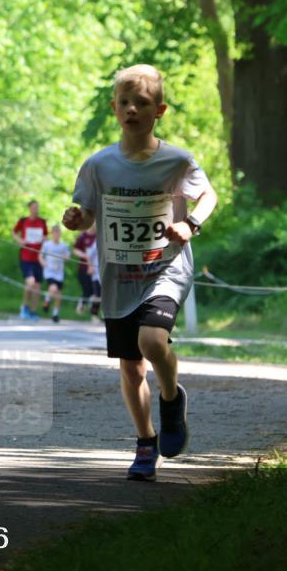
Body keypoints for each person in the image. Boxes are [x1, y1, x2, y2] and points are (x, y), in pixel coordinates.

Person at [63, 64, 218, 481]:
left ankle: (170, 397)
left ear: (159, 110)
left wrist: (191, 223)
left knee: (151, 340)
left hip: (165, 268)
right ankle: (145, 441)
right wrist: (77, 219)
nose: (132, 109)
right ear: (114, 108)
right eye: (125, 102)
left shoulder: (176, 160)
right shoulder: (99, 165)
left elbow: (207, 195)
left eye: (143, 103)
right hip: (120, 277)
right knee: (131, 368)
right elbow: (87, 213)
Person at [13, 200, 48, 320]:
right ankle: (24, 307)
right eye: (33, 207)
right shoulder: (23, 221)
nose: (35, 210)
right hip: (26, 257)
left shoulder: (42, 222)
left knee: (37, 286)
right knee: (30, 282)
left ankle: (33, 311)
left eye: (37, 207)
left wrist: (44, 239)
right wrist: (20, 240)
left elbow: (45, 236)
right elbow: (14, 232)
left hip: (38, 258)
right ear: (29, 208)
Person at [41, 224, 71, 323]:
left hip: (59, 273)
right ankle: (47, 300)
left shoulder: (64, 245)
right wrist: (43, 262)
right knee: (53, 288)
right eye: (55, 233)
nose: (56, 235)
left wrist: (65, 257)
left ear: (60, 234)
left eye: (58, 233)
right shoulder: (47, 245)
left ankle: (55, 314)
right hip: (49, 272)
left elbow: (68, 258)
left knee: (58, 294)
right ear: (52, 234)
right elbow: (40, 256)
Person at [73, 224, 97, 315]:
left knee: (97, 292)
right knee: (87, 291)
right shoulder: (82, 236)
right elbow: (75, 249)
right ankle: (82, 304)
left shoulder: (99, 237)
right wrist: (85, 256)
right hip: (84, 268)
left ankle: (94, 314)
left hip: (97, 270)